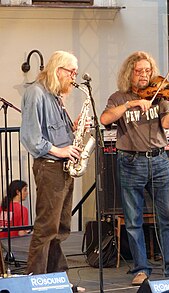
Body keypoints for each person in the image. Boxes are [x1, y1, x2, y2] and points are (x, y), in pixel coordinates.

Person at [100, 51, 169, 286]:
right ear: (129, 73)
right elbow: (105, 119)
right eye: (139, 71)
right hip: (130, 162)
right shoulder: (118, 97)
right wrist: (132, 103)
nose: (144, 75)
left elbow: (166, 122)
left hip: (159, 161)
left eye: (147, 71)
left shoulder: (159, 95)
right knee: (133, 221)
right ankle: (140, 269)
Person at [20, 51, 82, 277]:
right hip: (50, 166)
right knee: (47, 227)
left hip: (63, 167)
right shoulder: (36, 93)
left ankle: (57, 278)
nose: (74, 77)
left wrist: (72, 130)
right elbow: (30, 137)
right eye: (71, 72)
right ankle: (36, 279)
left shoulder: (55, 96)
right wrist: (59, 150)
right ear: (59, 70)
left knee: (61, 228)